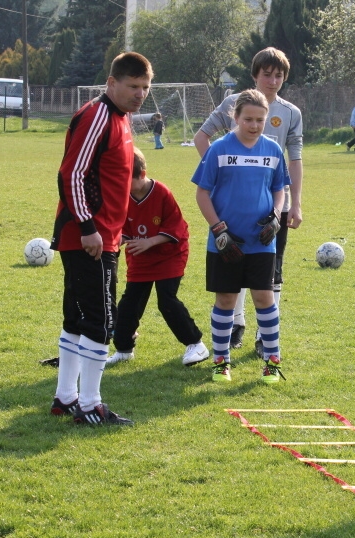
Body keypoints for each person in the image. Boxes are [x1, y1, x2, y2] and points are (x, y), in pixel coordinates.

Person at [49, 51, 153, 426]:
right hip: (88, 237)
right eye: (133, 86)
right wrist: (88, 227)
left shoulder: (121, 117)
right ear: (112, 83)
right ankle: (90, 405)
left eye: (145, 87)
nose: (140, 93)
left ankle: (66, 397)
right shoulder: (98, 115)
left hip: (102, 235)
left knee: (77, 317)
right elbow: (71, 175)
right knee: (99, 320)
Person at [193, 47, 303, 358]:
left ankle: (264, 341)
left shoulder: (291, 113)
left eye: (279, 75)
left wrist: (294, 203)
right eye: (267, 74)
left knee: (269, 274)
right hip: (230, 211)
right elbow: (202, 138)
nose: (273, 80)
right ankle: (235, 327)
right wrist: (222, 173)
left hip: (271, 208)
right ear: (255, 75)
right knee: (232, 276)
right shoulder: (233, 103)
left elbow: (294, 161)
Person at [191, 89, 289, 384]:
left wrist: (276, 216)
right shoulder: (219, 149)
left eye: (260, 120)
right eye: (248, 119)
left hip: (261, 241)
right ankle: (221, 362)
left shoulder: (273, 150)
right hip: (225, 242)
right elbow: (202, 193)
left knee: (264, 297)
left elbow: (279, 189)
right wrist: (218, 229)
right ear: (235, 117)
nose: (254, 125)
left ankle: (272, 362)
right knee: (226, 300)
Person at [105, 148, 209, 368]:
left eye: (126, 180)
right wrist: (118, 240)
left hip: (169, 254)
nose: (121, 186)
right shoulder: (122, 196)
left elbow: (176, 228)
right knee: (130, 302)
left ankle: (196, 344)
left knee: (166, 300)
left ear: (142, 174)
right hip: (140, 257)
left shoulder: (161, 192)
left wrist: (149, 242)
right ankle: (124, 349)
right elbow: (121, 227)